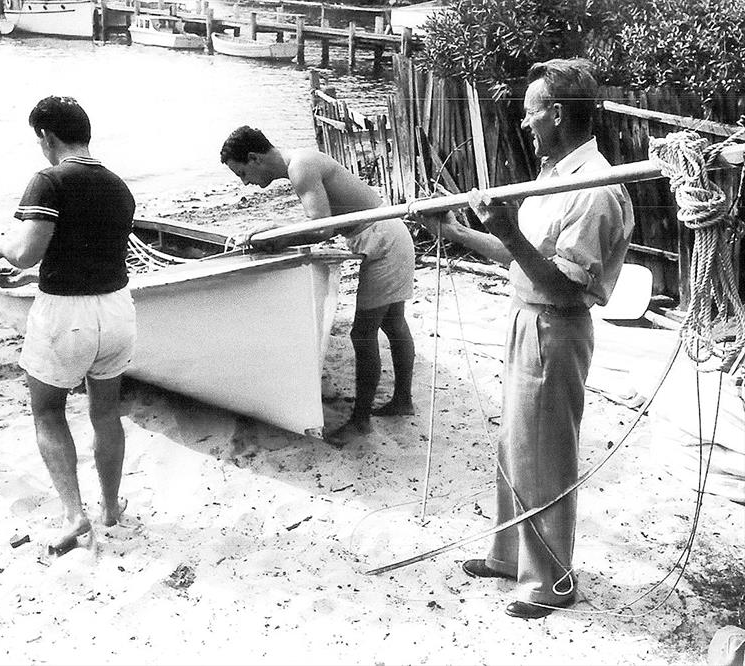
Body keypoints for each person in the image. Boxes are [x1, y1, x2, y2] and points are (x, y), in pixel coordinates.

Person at [418, 59, 634, 619]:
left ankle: (553, 582)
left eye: (531, 114)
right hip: (524, 317)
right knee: (516, 447)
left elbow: (564, 286)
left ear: (558, 114)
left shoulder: (593, 188)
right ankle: (511, 556)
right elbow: (523, 256)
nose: (525, 125)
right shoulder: (552, 174)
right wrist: (457, 232)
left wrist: (509, 230)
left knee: (546, 455)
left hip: (554, 328)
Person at [0, 96, 136, 554]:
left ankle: (73, 515)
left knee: (48, 411)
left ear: (47, 137)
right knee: (105, 412)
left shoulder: (48, 181)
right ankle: (110, 507)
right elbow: (87, 252)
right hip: (117, 309)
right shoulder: (118, 185)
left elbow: (27, 250)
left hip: (66, 315)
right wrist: (36, 273)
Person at [220, 126, 416, 445]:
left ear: (254, 158)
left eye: (242, 173)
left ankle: (361, 421)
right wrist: (282, 234)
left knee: (363, 333)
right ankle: (402, 402)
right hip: (388, 232)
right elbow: (327, 224)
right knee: (394, 323)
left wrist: (275, 232)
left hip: (383, 239)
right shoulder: (301, 163)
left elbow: (322, 227)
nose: (245, 183)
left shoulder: (300, 166)